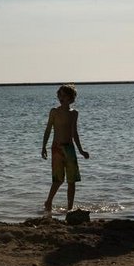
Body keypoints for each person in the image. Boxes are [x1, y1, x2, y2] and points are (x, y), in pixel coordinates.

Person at [41, 84, 90, 212]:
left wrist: (81, 150)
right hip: (57, 148)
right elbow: (48, 130)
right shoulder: (54, 112)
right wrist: (43, 147)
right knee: (58, 180)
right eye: (59, 95)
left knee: (72, 181)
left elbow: (75, 133)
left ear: (70, 98)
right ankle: (48, 202)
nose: (61, 98)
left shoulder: (74, 113)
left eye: (64, 95)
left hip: (70, 149)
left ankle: (69, 209)